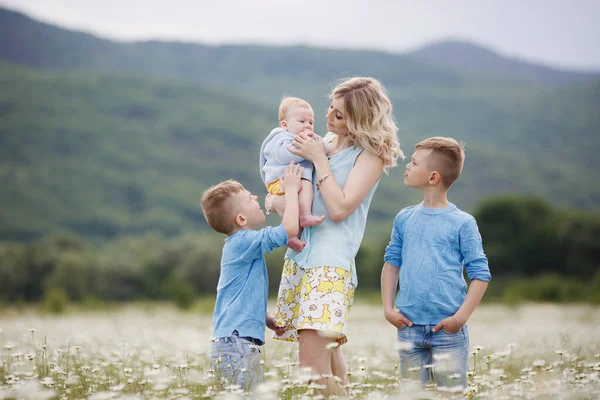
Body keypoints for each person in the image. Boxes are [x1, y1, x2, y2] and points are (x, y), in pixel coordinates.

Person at [268, 77, 403, 395]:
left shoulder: (369, 155)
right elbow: (281, 194)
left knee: (310, 370)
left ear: (360, 121)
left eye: (339, 115)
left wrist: (318, 159)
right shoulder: (324, 140)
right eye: (331, 107)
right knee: (328, 360)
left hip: (329, 266)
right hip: (301, 259)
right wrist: (276, 200)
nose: (328, 116)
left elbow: (340, 208)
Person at [380, 137, 491, 388]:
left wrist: (460, 319)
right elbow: (391, 263)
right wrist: (388, 308)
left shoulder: (463, 222)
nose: (407, 166)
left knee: (451, 394)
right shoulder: (404, 218)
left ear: (433, 177)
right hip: (408, 326)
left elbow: (480, 274)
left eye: (414, 162)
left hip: (448, 330)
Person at [200, 162, 303, 391]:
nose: (256, 197)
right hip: (236, 343)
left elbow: (236, 298)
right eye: (249, 198)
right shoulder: (244, 242)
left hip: (234, 341)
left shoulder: (241, 245)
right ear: (241, 219)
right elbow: (288, 229)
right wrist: (293, 190)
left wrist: (264, 317)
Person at [259, 96, 325, 252]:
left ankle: (292, 237)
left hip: (294, 180)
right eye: (302, 122)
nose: (307, 126)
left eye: (311, 122)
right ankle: (304, 217)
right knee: (302, 188)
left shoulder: (308, 138)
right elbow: (285, 155)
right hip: (280, 180)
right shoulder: (280, 138)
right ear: (285, 124)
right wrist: (307, 149)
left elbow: (323, 150)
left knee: (300, 193)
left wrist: (318, 145)